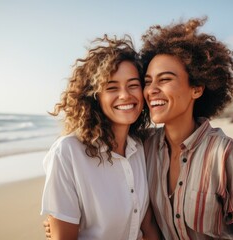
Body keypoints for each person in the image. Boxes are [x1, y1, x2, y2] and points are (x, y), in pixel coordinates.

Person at [141, 17, 233, 239]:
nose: (151, 90)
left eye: (164, 79)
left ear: (197, 89)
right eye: (147, 81)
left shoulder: (227, 154)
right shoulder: (144, 148)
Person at [41, 34, 160, 240]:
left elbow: (146, 224)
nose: (125, 95)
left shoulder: (140, 147)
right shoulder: (68, 152)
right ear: (94, 97)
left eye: (133, 85)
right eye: (112, 87)